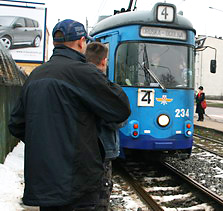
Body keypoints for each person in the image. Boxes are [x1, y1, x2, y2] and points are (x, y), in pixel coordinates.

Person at [8, 19, 131, 211]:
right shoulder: (83, 73)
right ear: (82, 42)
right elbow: (120, 108)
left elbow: (16, 124)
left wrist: (47, 144)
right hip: (78, 182)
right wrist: (99, 72)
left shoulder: (36, 75)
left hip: (44, 182)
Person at [85, 41, 122, 210]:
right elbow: (118, 119)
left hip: (78, 149)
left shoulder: (74, 79)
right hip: (102, 150)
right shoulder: (103, 84)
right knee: (100, 198)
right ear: (103, 61)